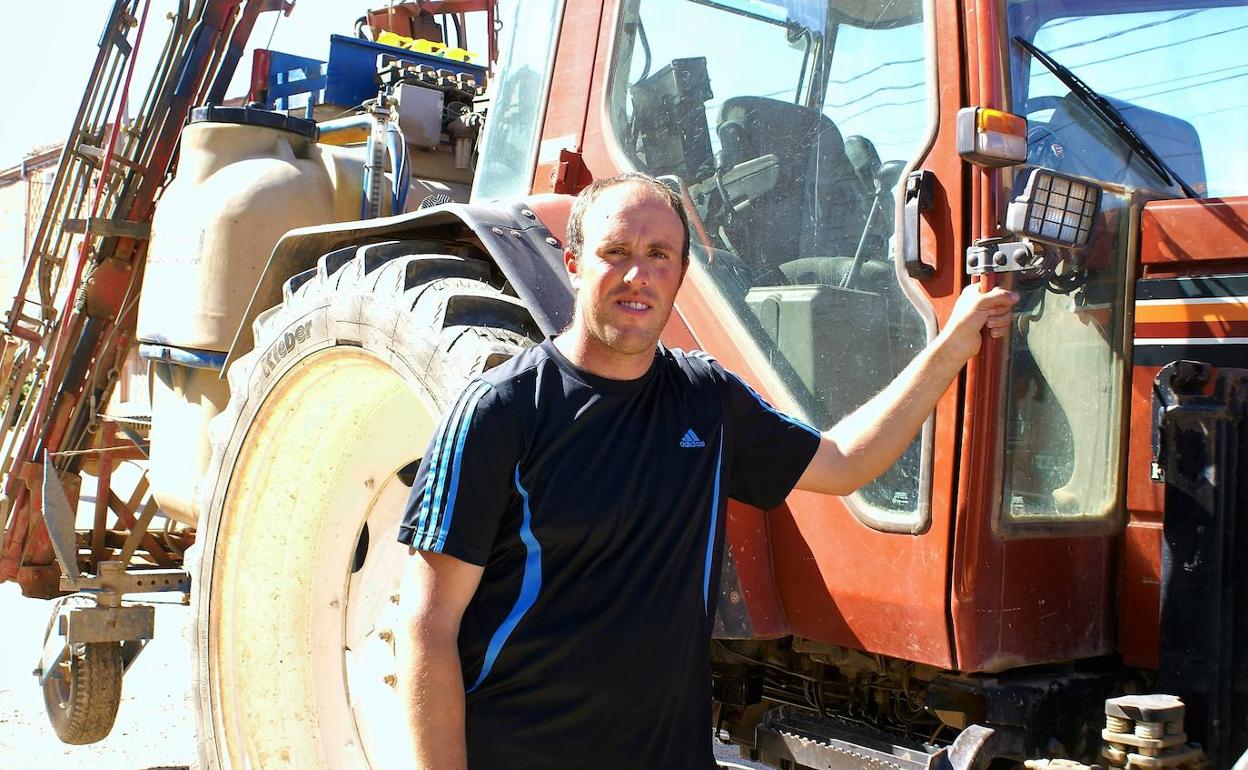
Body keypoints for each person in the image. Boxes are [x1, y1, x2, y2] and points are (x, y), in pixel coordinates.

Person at [395, 172, 1018, 769]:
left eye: (660, 255)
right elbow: (428, 627)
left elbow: (845, 462)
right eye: (616, 251)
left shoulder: (706, 399)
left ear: (681, 275)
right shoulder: (503, 410)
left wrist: (953, 343)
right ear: (574, 263)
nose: (638, 274)